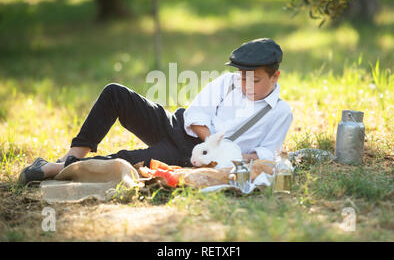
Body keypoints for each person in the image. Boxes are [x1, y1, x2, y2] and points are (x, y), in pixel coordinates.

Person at [18, 38, 293, 185]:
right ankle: (72, 156)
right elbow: (197, 113)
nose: (245, 84)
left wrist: (227, 155)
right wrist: (211, 142)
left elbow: (268, 152)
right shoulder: (227, 81)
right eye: (242, 77)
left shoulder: (280, 112)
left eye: (254, 80)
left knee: (127, 161)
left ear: (275, 76)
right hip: (177, 125)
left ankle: (55, 169)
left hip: (187, 156)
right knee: (116, 93)